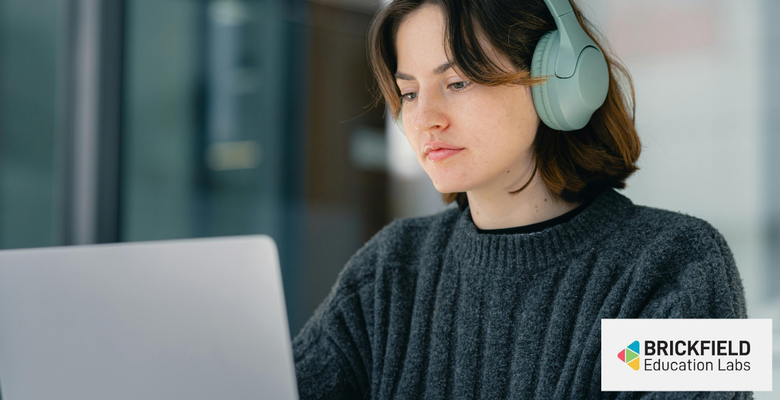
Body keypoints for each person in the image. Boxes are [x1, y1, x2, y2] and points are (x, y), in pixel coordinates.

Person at [292, 0, 750, 398]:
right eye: (409, 93)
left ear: (560, 79)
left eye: (457, 83)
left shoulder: (678, 266)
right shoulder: (390, 270)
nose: (424, 118)